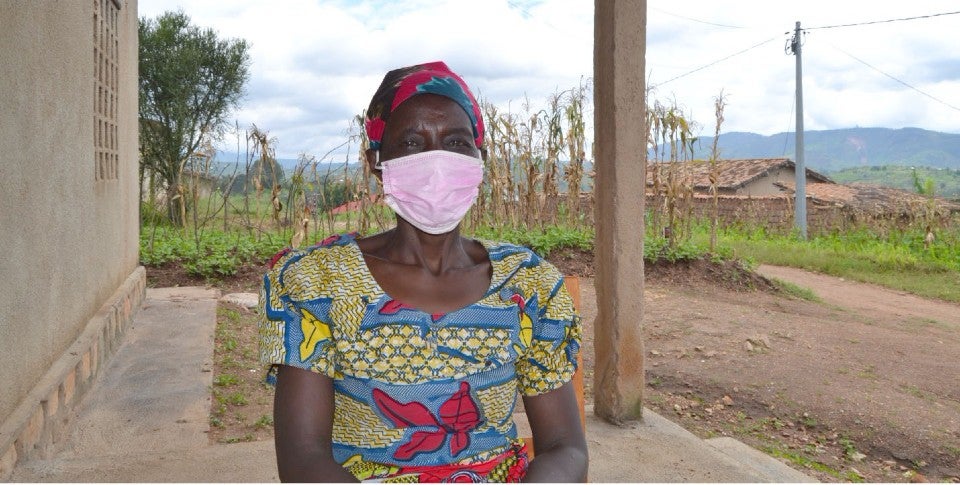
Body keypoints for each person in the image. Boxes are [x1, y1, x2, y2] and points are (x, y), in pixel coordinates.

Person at [258, 61, 587, 483]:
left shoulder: (529, 284)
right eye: (413, 143)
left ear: (479, 159)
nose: (437, 161)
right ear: (376, 162)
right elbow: (303, 459)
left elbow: (566, 448)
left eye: (455, 142)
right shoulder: (315, 284)